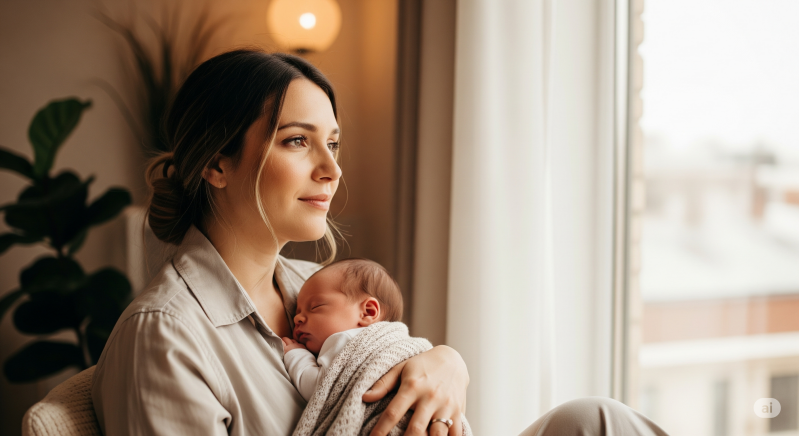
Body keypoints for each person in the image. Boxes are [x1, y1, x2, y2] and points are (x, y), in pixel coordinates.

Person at [91, 48, 668, 436]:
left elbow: (395, 364)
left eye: (333, 144)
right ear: (217, 164)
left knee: (596, 419)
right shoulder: (164, 337)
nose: (331, 170)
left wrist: (446, 364)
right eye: (297, 141)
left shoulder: (310, 286)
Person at [281, 258, 404, 401]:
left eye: (315, 307)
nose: (297, 318)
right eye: (297, 312)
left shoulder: (347, 339)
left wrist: (297, 355)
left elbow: (321, 391)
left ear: (367, 312)